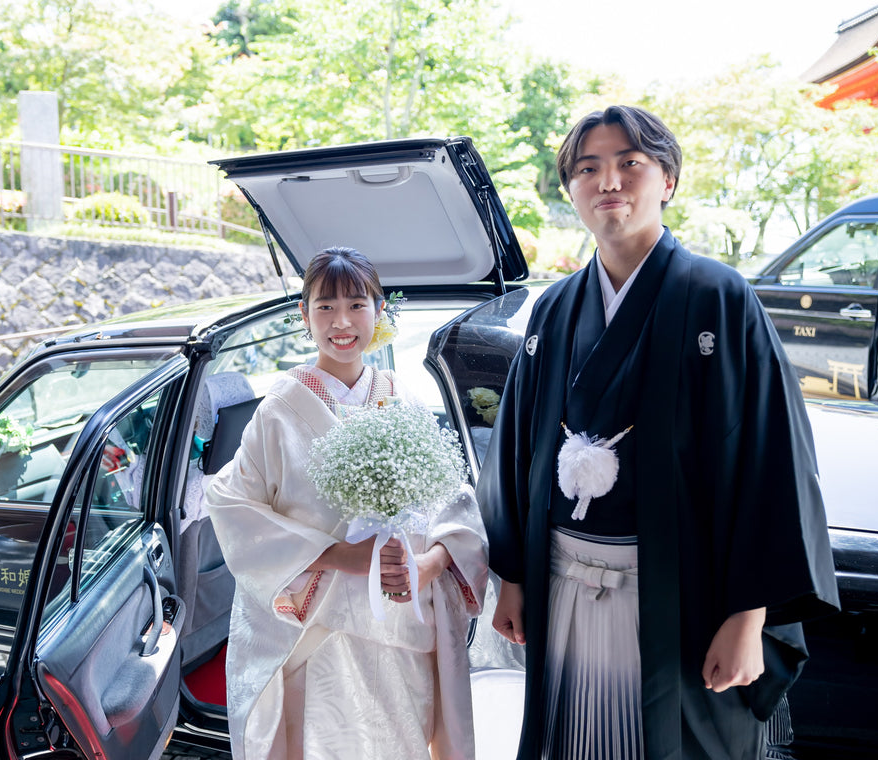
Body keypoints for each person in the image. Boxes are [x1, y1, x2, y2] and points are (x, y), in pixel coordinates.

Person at [477, 105, 840, 759]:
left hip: (681, 599)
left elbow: (768, 459)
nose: (608, 181)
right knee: (573, 737)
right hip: (562, 588)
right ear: (570, 191)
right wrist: (512, 576)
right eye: (588, 169)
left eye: (629, 163)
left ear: (666, 180)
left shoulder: (720, 298)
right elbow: (519, 453)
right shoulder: (555, 308)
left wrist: (749, 614)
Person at [206, 247, 489, 760]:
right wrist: (339, 556)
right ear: (304, 314)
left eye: (357, 305)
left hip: (402, 617)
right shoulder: (280, 409)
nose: (342, 322)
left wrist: (427, 566)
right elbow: (232, 505)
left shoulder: (401, 397)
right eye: (325, 306)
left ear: (380, 310)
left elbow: (455, 504)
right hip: (321, 626)